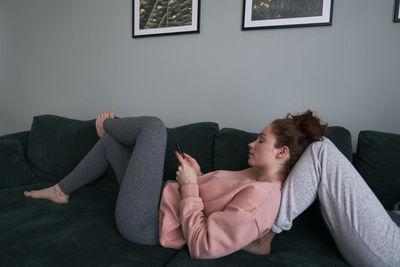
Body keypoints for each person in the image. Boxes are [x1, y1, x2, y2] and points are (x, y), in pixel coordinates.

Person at [24, 109, 327, 259]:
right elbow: (212, 200)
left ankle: (104, 124)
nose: (251, 143)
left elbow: (202, 245)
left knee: (154, 128)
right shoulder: (255, 176)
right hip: (157, 202)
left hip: (146, 225)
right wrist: (197, 173)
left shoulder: (261, 202)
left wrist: (190, 187)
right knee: (111, 148)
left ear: (281, 152)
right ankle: (60, 191)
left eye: (261, 140)